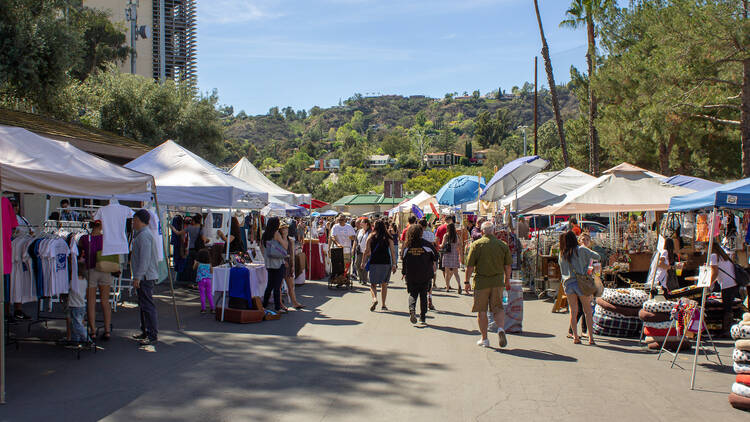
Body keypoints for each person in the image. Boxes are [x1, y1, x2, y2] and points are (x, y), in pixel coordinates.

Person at [465, 222, 511, 348]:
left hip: (481, 282)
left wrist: (466, 281)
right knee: (498, 307)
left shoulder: (476, 245)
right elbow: (508, 266)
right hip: (497, 282)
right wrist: (507, 280)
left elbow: (470, 266)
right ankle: (501, 329)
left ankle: (484, 338)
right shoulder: (502, 245)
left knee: (482, 311)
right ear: (494, 231)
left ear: (483, 231)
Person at [559, 230, 599, 345]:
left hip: (568, 283)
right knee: (587, 311)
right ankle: (591, 338)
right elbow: (597, 256)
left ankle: (575, 336)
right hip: (581, 282)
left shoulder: (562, 253)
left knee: (573, 311)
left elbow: (563, 271)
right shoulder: (581, 249)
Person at [78, 220, 113, 340]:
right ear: (102, 225)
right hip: (105, 269)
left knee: (91, 302)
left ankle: (92, 330)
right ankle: (107, 330)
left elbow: (81, 253)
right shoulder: (106, 238)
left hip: (90, 270)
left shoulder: (84, 238)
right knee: (105, 301)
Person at [131, 209, 160, 350]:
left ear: (141, 221)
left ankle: (152, 334)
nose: (133, 223)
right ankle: (145, 331)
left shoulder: (144, 236)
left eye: (135, 220)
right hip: (144, 275)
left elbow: (145, 259)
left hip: (146, 276)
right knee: (144, 305)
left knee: (147, 305)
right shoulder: (142, 235)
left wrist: (138, 276)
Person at [401, 224, 437, 326]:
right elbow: (435, 255)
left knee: (413, 294)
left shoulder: (408, 245)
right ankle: (422, 317)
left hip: (411, 274)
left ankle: (412, 309)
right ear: (421, 233)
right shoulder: (426, 244)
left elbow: (404, 259)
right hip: (425, 273)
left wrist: (404, 272)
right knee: (423, 295)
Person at [361, 219, 397, 311]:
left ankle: (374, 299)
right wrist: (394, 264)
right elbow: (393, 251)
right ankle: (384, 305)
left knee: (373, 284)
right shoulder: (388, 236)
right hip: (386, 262)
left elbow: (366, 251)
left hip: (374, 262)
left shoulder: (371, 236)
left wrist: (363, 262)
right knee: (384, 284)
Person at [709, 241, 738, 337]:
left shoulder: (713, 256)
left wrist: (709, 284)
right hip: (733, 283)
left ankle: (726, 330)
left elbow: (715, 272)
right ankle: (728, 329)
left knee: (727, 308)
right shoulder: (724, 255)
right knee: (729, 307)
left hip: (726, 284)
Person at [262, 217, 288, 312]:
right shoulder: (276, 234)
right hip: (278, 262)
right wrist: (285, 236)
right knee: (277, 287)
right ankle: (277, 307)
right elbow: (285, 246)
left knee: (269, 286)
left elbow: (262, 249)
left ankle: (264, 305)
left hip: (269, 263)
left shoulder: (264, 235)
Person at [280, 222, 304, 310]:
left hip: (289, 263)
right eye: (283, 229)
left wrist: (293, 264)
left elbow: (292, 253)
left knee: (291, 285)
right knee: (279, 285)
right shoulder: (279, 240)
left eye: (286, 228)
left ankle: (294, 302)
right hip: (281, 263)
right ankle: (280, 304)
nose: (285, 230)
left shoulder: (291, 240)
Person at [440, 222, 463, 293]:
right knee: (456, 272)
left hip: (447, 254)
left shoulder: (446, 235)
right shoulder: (457, 236)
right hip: (455, 255)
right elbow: (460, 245)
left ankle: (447, 288)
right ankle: (459, 285)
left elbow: (443, 245)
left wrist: (439, 245)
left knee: (447, 272)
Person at [419, 219, 437, 309]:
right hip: (429, 257)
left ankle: (422, 298)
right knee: (429, 278)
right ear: (426, 226)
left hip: (419, 257)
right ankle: (429, 298)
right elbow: (434, 244)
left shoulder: (418, 234)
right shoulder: (430, 234)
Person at [194, 249, 215, 314]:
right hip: (208, 280)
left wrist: (195, 263)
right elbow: (212, 271)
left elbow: (194, 268)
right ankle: (212, 308)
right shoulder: (209, 264)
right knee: (209, 294)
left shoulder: (198, 263)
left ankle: (203, 309)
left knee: (202, 294)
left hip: (201, 280)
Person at [355, 219, 372, 284]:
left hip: (367, 251)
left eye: (362, 223)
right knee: (357, 264)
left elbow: (372, 241)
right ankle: (361, 277)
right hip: (359, 251)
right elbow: (356, 240)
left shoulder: (370, 231)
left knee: (364, 265)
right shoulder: (359, 231)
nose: (360, 224)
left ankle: (364, 280)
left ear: (366, 224)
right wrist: (354, 248)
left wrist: (370, 250)